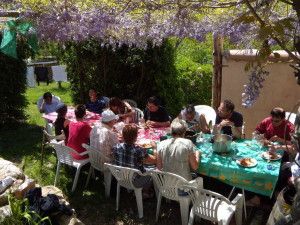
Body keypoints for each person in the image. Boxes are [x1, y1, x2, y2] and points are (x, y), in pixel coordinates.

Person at [113, 124, 156, 192]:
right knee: (153, 169)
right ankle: (145, 192)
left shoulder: (116, 147)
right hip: (135, 181)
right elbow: (154, 160)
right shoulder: (138, 150)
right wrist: (154, 148)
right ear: (136, 137)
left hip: (120, 177)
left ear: (122, 136)